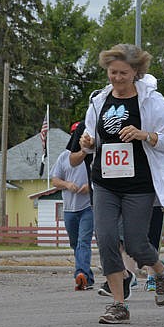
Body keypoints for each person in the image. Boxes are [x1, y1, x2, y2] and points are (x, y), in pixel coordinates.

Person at [80, 43, 164, 324]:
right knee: (105, 240)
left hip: (139, 184)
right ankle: (119, 305)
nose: (116, 78)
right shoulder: (99, 100)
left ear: (136, 72)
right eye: (112, 72)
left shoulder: (152, 101)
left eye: (123, 73)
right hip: (104, 182)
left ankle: (160, 269)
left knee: (136, 245)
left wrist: (145, 135)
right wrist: (88, 143)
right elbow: (92, 138)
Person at [51, 121, 94, 291]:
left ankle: (80, 274)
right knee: (75, 244)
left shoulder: (92, 156)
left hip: (88, 208)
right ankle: (87, 278)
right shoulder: (64, 157)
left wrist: (89, 188)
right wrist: (67, 184)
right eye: (75, 134)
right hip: (69, 209)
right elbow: (55, 180)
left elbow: (100, 178)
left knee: (84, 242)